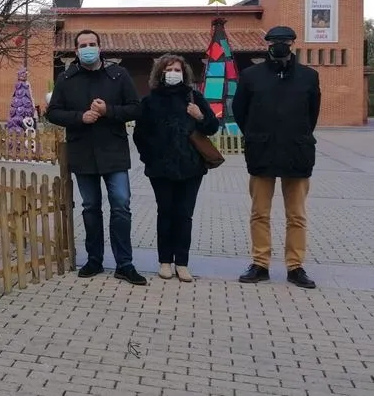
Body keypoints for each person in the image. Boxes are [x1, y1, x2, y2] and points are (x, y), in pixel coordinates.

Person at [46, 29, 146, 285]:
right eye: (82, 45)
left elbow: (136, 108)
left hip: (113, 152)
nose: (87, 48)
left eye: (92, 44)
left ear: (100, 47)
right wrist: (80, 117)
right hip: (83, 152)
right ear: (76, 50)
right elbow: (53, 112)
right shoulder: (67, 78)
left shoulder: (118, 75)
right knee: (90, 207)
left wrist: (108, 111)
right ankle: (94, 259)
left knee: (121, 205)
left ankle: (125, 264)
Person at [232, 25, 320, 289]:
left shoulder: (308, 76)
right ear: (267, 44)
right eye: (275, 41)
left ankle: (295, 266)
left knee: (297, 215)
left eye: (285, 41)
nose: (279, 45)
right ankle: (260, 264)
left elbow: (312, 114)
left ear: (292, 43)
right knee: (260, 212)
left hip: (297, 150)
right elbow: (240, 111)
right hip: (262, 150)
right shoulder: (251, 76)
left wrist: (297, 134)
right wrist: (256, 135)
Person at [133, 54, 219, 282]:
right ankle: (164, 262)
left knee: (184, 215)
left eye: (177, 70)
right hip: (160, 170)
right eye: (169, 69)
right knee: (166, 213)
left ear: (184, 73)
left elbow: (212, 127)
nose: (173, 73)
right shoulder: (150, 101)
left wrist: (199, 115)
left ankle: (182, 262)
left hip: (191, 168)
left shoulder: (194, 97)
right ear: (160, 73)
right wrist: (149, 158)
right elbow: (140, 135)